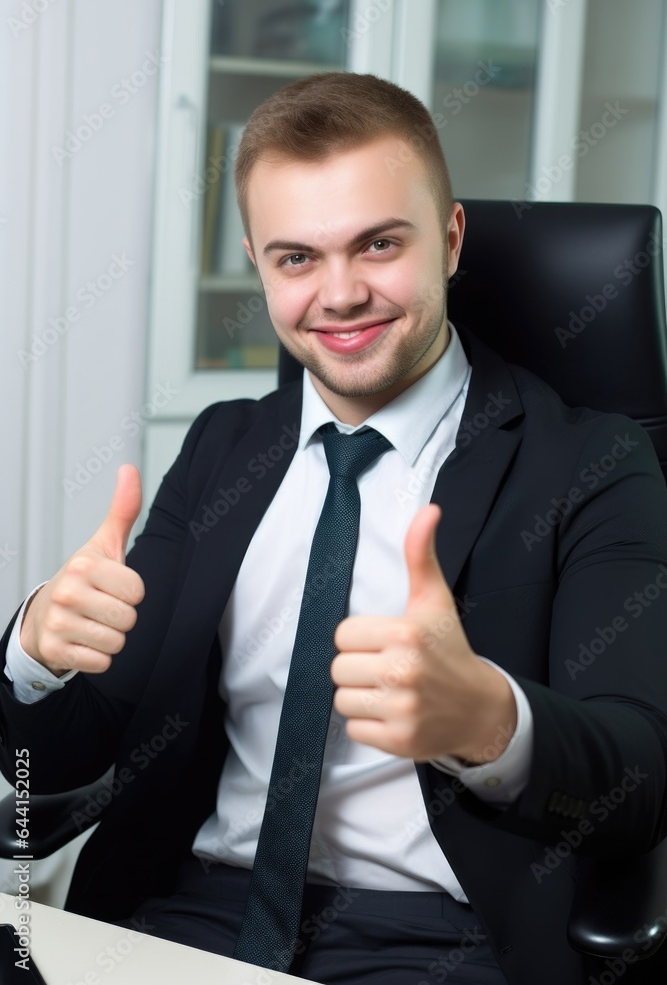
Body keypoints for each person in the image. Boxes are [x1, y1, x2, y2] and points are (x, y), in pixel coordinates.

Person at [1, 72, 667, 985]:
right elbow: (61, 759)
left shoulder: (591, 460)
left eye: (379, 244)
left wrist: (486, 722)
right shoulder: (222, 448)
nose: (341, 294)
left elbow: (640, 777)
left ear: (450, 238)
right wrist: (38, 654)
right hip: (186, 916)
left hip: (440, 939)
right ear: (258, 263)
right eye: (296, 258)